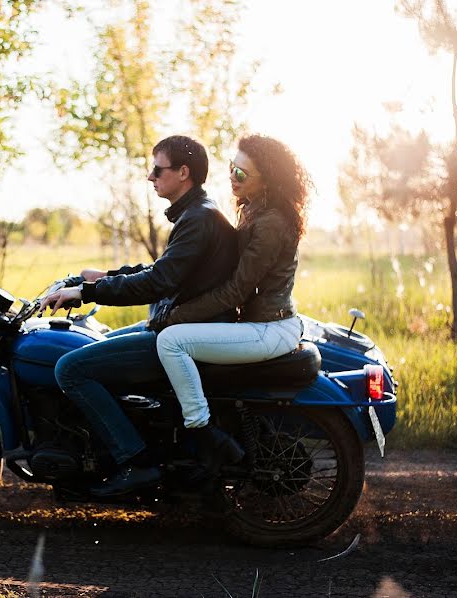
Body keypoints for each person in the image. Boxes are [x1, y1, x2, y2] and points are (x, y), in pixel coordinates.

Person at [43, 135, 238, 497]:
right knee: (96, 344)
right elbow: (166, 271)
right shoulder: (197, 213)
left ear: (183, 172)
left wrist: (86, 293)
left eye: (157, 169)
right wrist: (102, 276)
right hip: (175, 324)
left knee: (70, 369)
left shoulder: (198, 219)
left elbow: (159, 281)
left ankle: (136, 461)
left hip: (181, 334)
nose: (151, 177)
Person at [152, 133, 311, 481]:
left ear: (266, 179)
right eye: (231, 169)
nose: (232, 178)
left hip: (267, 328)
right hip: (261, 323)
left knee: (171, 341)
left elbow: (237, 290)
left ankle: (202, 433)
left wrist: (174, 317)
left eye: (241, 174)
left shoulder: (270, 223)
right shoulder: (256, 209)